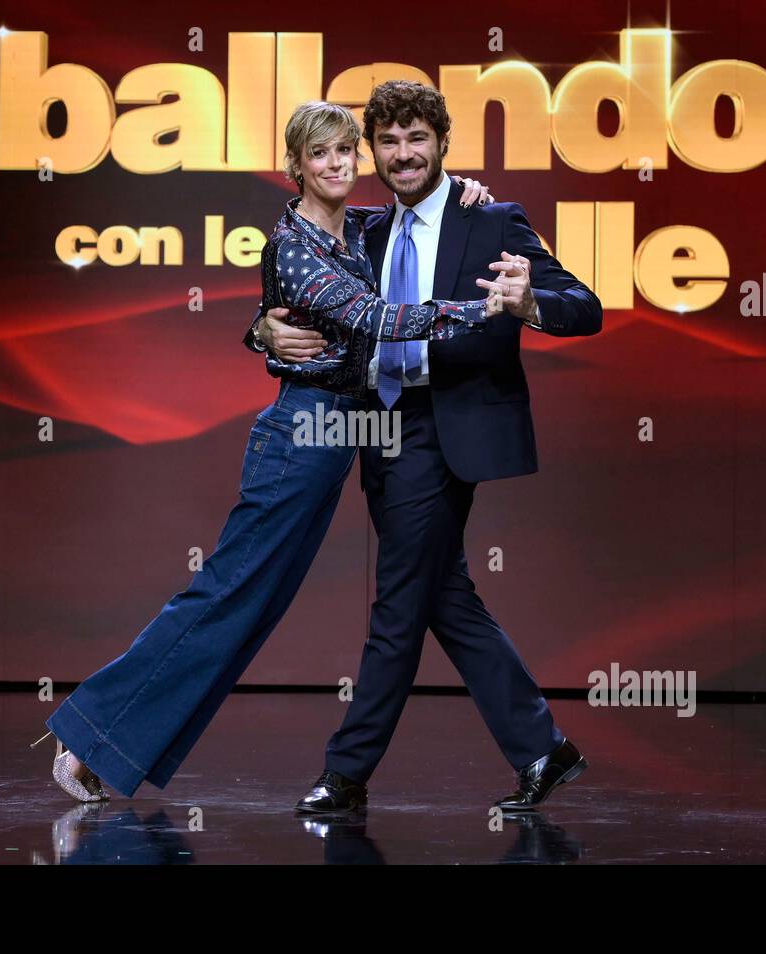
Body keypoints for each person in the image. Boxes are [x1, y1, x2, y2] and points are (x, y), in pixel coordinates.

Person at [30, 100, 501, 802]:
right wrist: (482, 307)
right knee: (229, 592)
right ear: (296, 168)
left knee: (254, 606)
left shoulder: (357, 230)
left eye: (347, 152)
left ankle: (105, 746)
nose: (338, 165)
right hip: (301, 435)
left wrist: (463, 189)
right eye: (321, 155)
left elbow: (420, 216)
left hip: (339, 434)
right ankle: (88, 732)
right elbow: (371, 317)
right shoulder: (295, 243)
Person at [252, 80, 603, 813]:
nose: (404, 153)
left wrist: (530, 302)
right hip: (377, 429)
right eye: (388, 141)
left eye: (418, 138)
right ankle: (543, 748)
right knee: (445, 595)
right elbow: (298, 294)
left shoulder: (494, 219)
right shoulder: (367, 230)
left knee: (399, 601)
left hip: (445, 431)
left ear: (442, 142)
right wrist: (260, 332)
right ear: (371, 152)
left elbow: (585, 307)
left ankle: (346, 773)